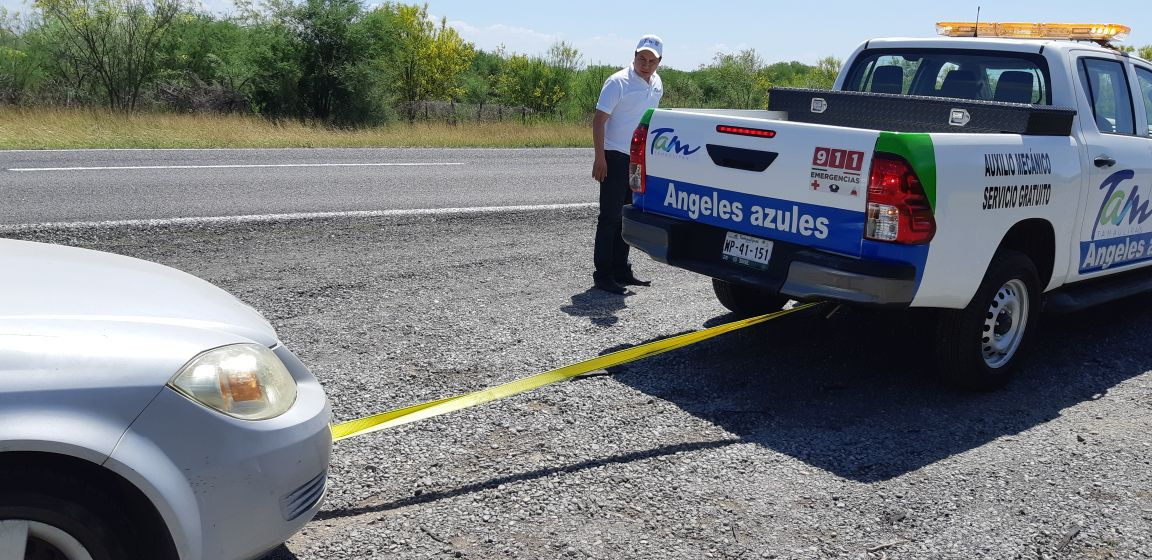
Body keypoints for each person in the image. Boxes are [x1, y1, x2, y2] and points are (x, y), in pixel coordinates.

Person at [591, 34, 664, 295]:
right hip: (614, 156)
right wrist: (600, 158)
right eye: (641, 58)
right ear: (634, 56)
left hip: (636, 160)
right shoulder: (618, 82)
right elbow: (599, 120)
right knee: (609, 217)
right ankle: (603, 274)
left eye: (651, 60)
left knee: (627, 215)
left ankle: (621, 269)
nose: (645, 64)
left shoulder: (656, 84)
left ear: (659, 62)